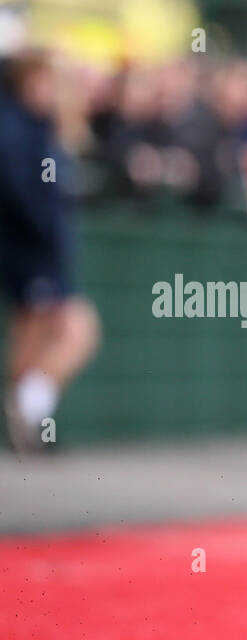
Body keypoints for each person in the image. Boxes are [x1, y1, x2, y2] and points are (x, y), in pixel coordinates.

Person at [0, 48, 101, 452]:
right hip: (28, 251)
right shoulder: (16, 128)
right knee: (71, 329)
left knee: (36, 339)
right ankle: (26, 415)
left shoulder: (42, 127)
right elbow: (22, 191)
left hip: (38, 252)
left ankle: (26, 420)